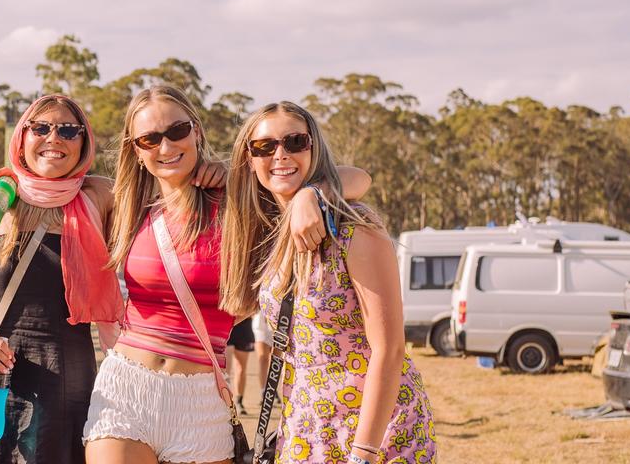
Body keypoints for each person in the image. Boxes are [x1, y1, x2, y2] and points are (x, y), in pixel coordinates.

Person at [84, 86, 370, 464]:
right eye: (150, 139)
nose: (166, 147)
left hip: (202, 396)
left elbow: (358, 178)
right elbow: (48, 187)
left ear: (196, 132)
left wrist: (310, 194)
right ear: (135, 149)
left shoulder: (241, 199)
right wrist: (5, 183)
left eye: (177, 131)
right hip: (127, 389)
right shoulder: (124, 204)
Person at [222, 101, 436, 464]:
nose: (281, 154)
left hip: (376, 432)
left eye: (294, 142)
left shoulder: (353, 229)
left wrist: (363, 454)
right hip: (305, 424)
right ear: (249, 158)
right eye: (265, 146)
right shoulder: (269, 231)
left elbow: (390, 350)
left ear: (313, 147)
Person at [0, 94, 122, 464]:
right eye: (41, 127)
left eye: (69, 130)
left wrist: (213, 170)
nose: (54, 138)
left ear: (84, 143)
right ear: (22, 137)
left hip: (66, 382)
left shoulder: (100, 197)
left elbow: (168, 190)